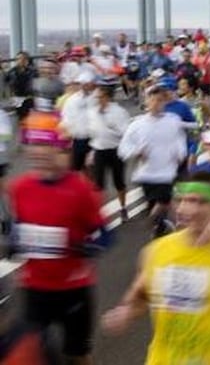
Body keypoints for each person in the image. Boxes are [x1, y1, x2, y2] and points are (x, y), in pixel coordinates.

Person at [101, 172, 210, 365]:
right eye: (182, 200)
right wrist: (126, 312)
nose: (188, 208)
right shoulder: (157, 250)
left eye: (200, 202)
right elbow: (142, 296)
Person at [8, 102, 109, 365]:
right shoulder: (20, 188)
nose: (38, 152)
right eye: (32, 144)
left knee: (76, 354)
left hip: (74, 289)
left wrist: (88, 247)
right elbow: (21, 229)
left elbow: (105, 235)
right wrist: (14, 243)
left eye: (45, 145)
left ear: (60, 147)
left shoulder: (82, 189)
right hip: (35, 288)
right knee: (34, 353)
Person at [118, 85, 188, 238]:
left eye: (160, 100)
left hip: (167, 172)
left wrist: (180, 153)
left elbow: (180, 140)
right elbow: (123, 147)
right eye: (153, 100)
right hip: (146, 174)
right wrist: (137, 152)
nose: (157, 103)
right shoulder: (137, 125)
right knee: (154, 207)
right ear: (147, 102)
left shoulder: (173, 121)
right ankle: (158, 227)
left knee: (164, 201)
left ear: (164, 103)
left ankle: (151, 223)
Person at [88, 78, 131, 220]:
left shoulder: (119, 112)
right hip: (99, 150)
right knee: (98, 184)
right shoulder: (92, 112)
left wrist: (109, 127)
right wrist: (91, 150)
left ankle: (123, 208)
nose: (97, 100)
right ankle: (98, 212)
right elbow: (92, 131)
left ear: (106, 97)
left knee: (119, 182)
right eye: (96, 97)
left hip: (116, 150)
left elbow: (125, 132)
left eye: (99, 97)